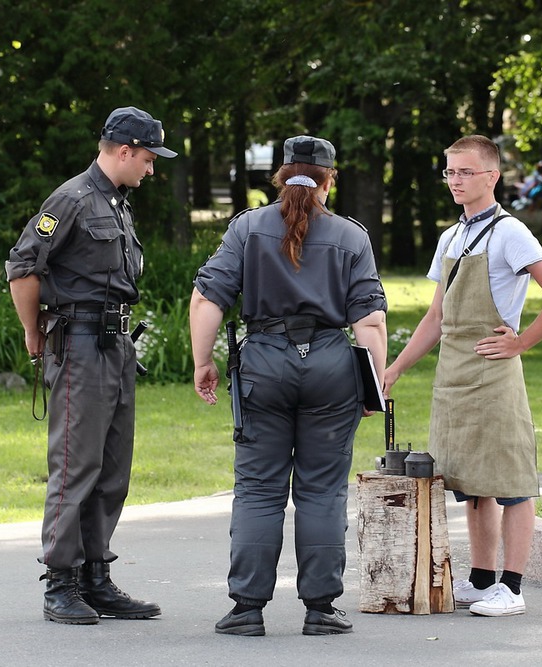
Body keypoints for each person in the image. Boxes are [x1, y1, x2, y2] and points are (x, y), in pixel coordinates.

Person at [189, 135, 387, 637]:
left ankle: (247, 609)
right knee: (322, 491)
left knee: (258, 490)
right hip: (329, 365)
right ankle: (320, 609)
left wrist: (202, 361)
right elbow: (371, 321)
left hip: (264, 364)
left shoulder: (248, 228)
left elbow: (206, 300)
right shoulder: (351, 236)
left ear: (280, 175)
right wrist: (373, 388)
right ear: (329, 180)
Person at [383, 135, 542, 617]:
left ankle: (511, 588)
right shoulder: (450, 237)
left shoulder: (509, 233)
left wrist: (521, 341)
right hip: (453, 376)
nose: (455, 181)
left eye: (465, 172)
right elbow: (437, 318)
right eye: (449, 172)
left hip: (493, 376)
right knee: (473, 483)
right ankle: (481, 579)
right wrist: (396, 369)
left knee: (510, 481)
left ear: (491, 176)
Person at [6, 106, 177, 625]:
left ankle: (94, 578)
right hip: (78, 344)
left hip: (115, 344)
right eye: (147, 159)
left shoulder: (116, 202)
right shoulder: (72, 199)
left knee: (112, 468)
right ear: (123, 151)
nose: (150, 170)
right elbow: (22, 266)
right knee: (75, 466)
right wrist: (34, 332)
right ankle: (60, 582)